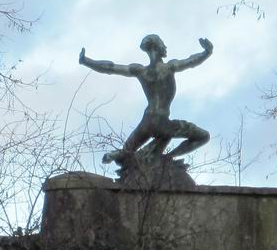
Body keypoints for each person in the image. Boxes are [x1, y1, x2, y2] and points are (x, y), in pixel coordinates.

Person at [79, 34, 213, 163]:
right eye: (162, 44)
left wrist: (86, 61)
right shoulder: (170, 67)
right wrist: (207, 52)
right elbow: (190, 61)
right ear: (156, 46)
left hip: (147, 121)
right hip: (162, 122)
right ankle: (167, 158)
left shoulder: (140, 71)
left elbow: (110, 68)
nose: (165, 47)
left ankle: (117, 154)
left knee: (127, 151)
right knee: (203, 136)